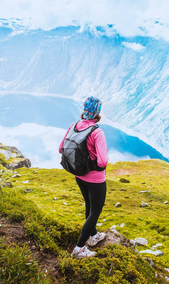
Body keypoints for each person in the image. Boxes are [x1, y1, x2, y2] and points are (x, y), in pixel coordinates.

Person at [59, 96, 109, 259]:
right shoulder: (97, 132)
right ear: (97, 112)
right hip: (96, 180)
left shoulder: (74, 126)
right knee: (95, 212)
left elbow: (61, 149)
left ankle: (93, 237)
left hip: (79, 176)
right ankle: (79, 248)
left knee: (89, 205)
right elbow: (102, 161)